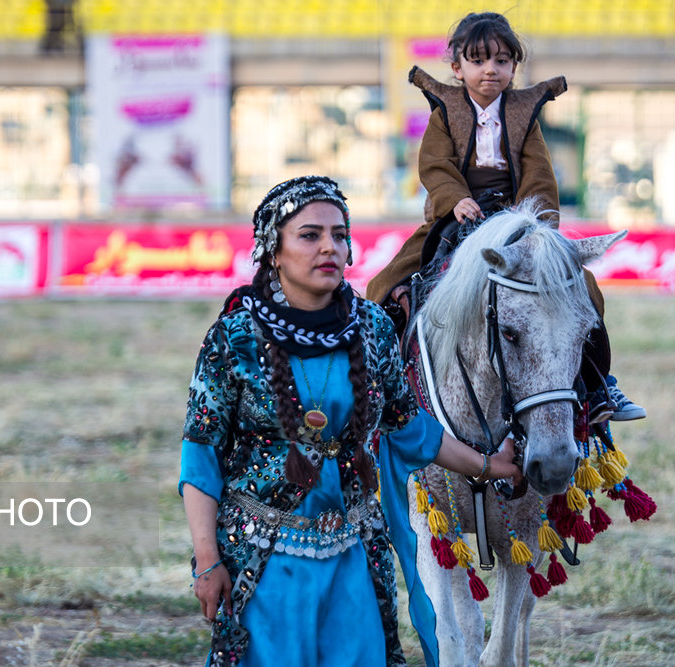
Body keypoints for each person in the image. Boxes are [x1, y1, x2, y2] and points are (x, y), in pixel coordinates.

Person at [180, 175, 522, 666]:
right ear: (272, 251)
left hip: (353, 558)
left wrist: (488, 465)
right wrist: (208, 561)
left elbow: (411, 429)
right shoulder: (234, 338)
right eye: (310, 235)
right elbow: (200, 458)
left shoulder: (374, 329)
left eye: (340, 235)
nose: (330, 247)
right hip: (265, 563)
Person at [366, 11, 645, 422]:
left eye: (501, 60)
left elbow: (538, 175)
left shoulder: (523, 117)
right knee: (383, 285)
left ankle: (598, 386)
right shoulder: (445, 113)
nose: (490, 70)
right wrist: (455, 199)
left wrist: (535, 225)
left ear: (514, 66)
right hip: (455, 216)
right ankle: (380, 386)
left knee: (582, 287)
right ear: (457, 68)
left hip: (516, 220)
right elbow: (435, 166)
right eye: (478, 61)